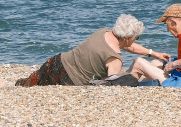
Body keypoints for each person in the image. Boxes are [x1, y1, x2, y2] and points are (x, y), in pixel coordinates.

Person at [15, 14, 169, 86]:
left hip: (56, 63)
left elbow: (126, 45)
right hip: (69, 80)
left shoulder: (103, 32)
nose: (136, 41)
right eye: (137, 38)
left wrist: (152, 53)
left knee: (26, 85)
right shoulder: (114, 58)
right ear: (128, 38)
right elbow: (111, 84)